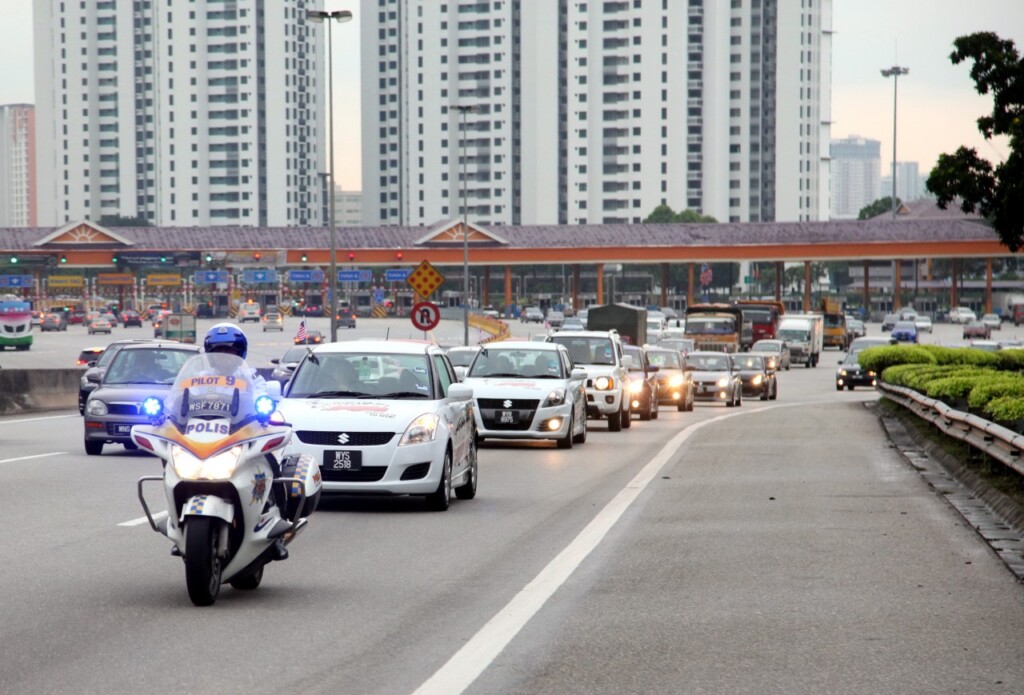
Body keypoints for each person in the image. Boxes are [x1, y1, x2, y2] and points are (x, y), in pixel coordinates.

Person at [202, 322, 289, 561]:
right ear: (209, 355)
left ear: (239, 353)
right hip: (205, 437)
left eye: (229, 351)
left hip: (242, 435)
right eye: (218, 351)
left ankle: (279, 531)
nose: (224, 356)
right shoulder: (198, 379)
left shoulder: (249, 376)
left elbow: (264, 395)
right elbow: (177, 401)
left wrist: (265, 407)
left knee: (272, 466)